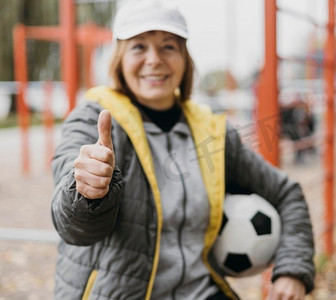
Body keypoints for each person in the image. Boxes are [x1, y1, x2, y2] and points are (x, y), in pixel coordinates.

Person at [51, 1, 315, 299]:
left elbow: (287, 193)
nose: (154, 60)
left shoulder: (214, 133)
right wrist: (85, 191)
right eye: (139, 47)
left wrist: (293, 269)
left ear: (184, 57)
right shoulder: (92, 120)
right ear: (120, 58)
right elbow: (73, 229)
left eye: (168, 47)